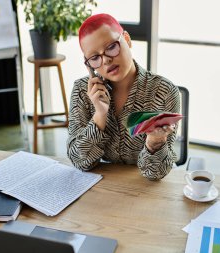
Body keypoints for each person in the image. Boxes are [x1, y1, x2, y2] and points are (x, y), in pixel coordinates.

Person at [67, 13, 180, 180]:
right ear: (88, 64)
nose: (106, 61)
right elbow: (80, 162)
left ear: (126, 40)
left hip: (144, 189)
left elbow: (156, 174)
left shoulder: (164, 91)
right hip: (103, 188)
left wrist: (154, 143)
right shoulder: (82, 91)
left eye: (111, 47)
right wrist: (100, 116)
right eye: (95, 58)